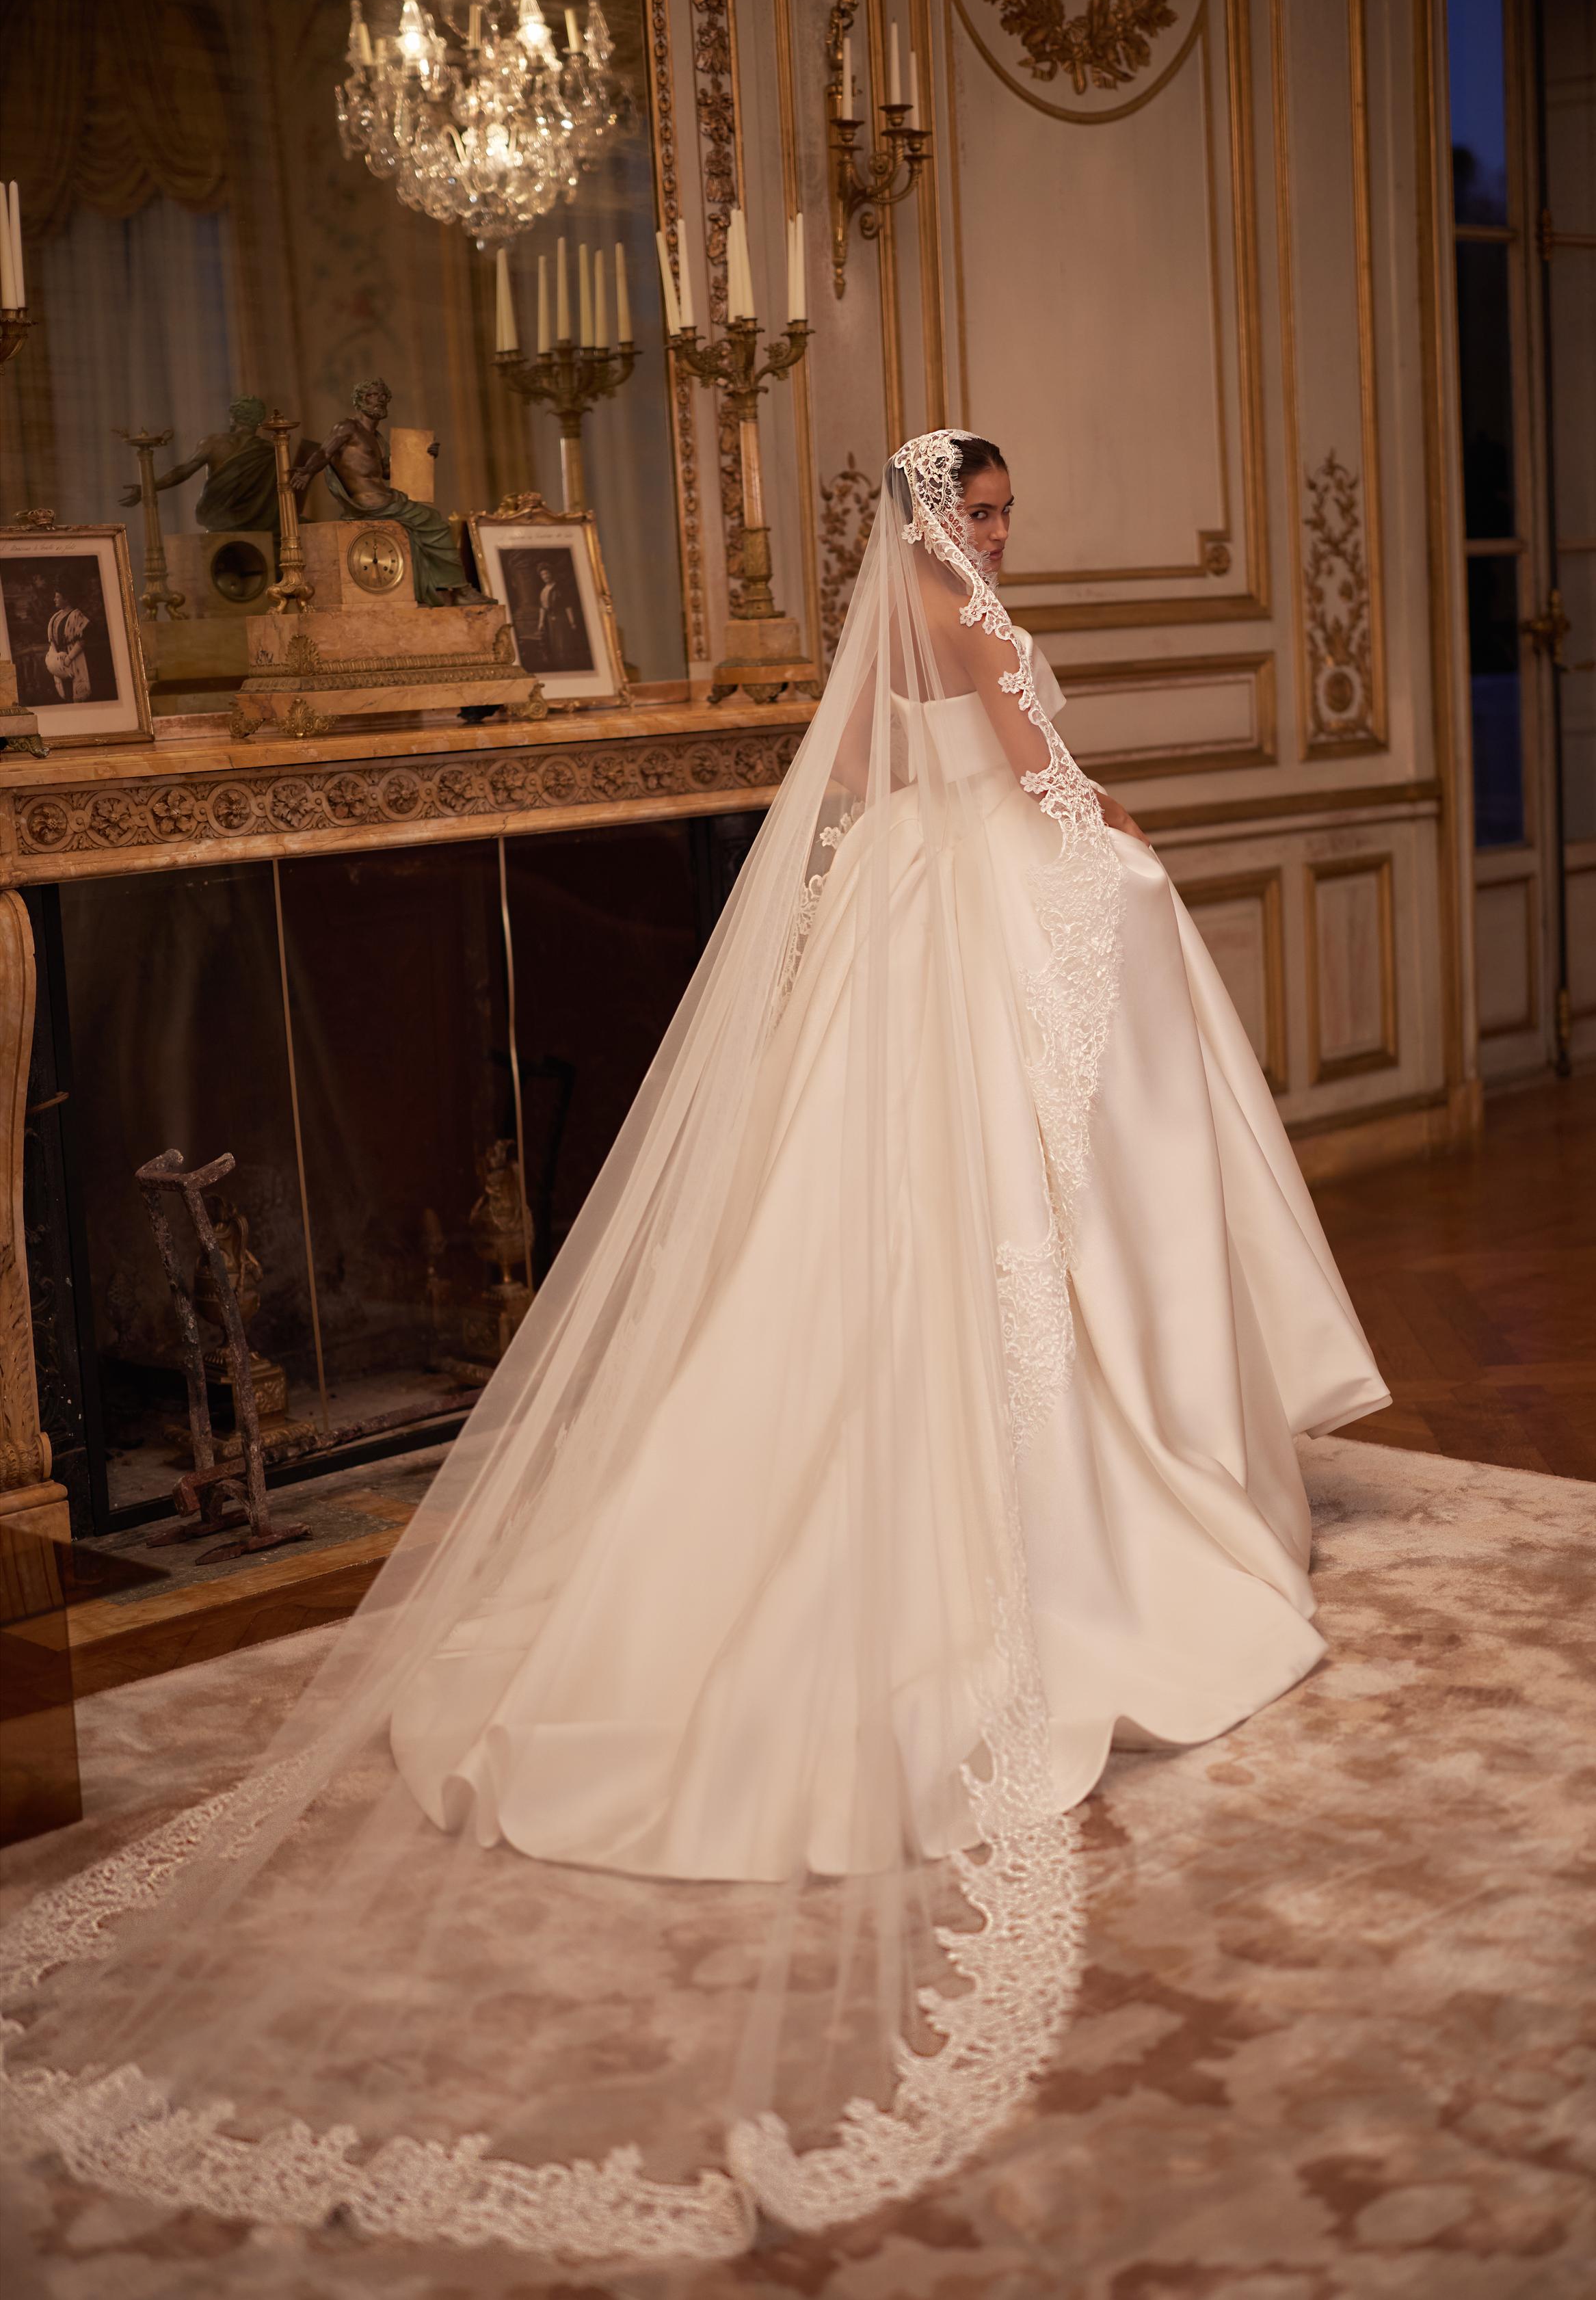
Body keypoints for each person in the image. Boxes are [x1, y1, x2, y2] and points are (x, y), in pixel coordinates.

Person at [0, 433, 1387, 2271]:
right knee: (1025, 1184)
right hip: (981, 902)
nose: (991, 535)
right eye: (976, 511)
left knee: (898, 1217)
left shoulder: (885, 608)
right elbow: (1040, 773)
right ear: (934, 516)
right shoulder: (962, 615)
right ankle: (1087, 1469)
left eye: (998, 514)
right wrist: (1112, 836)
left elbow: (872, 777)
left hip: (906, 907)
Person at [290, 378, 477, 607]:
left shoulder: (377, 438)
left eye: (383, 396)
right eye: (372, 395)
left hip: (387, 500)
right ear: (359, 400)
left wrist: (424, 454)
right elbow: (324, 453)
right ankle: (460, 589)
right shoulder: (347, 427)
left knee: (420, 531)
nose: (379, 400)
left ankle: (434, 590)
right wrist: (307, 472)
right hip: (371, 503)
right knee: (436, 523)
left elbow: (388, 472)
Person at [118, 395, 279, 533]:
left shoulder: (215, 443)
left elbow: (182, 472)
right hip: (258, 524)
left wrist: (148, 487)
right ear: (259, 421)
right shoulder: (269, 451)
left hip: (220, 519)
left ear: (233, 418)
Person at [43, 588, 92, 698]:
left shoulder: (77, 615)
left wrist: (68, 659)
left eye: (57, 597)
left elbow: (82, 641)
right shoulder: (55, 617)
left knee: (78, 691)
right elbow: (53, 641)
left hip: (73, 659)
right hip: (59, 663)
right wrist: (53, 658)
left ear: (66, 598)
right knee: (65, 693)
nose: (54, 599)